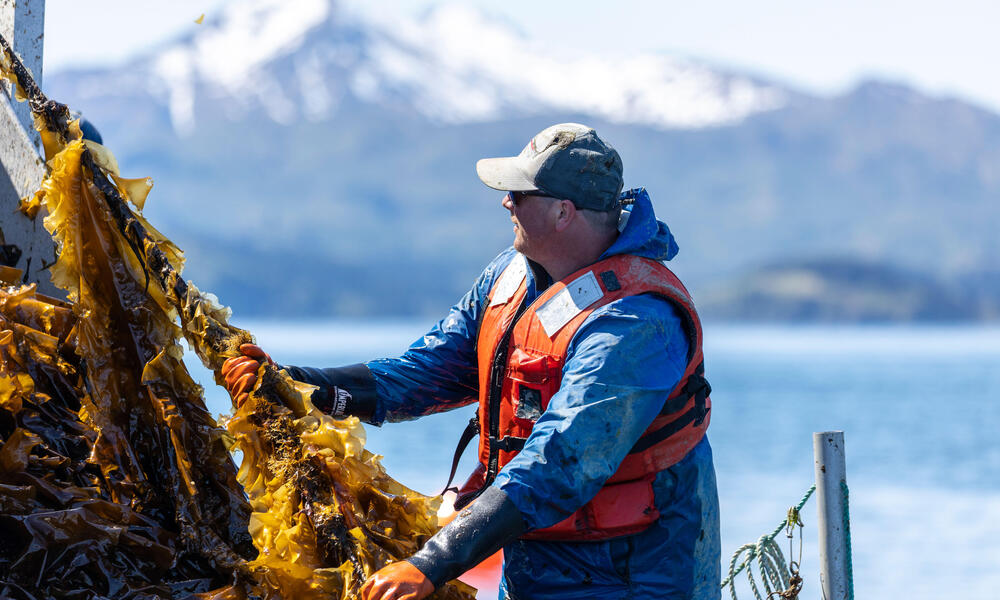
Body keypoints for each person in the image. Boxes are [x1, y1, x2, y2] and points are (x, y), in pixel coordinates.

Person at [222, 123, 721, 600]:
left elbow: (559, 463)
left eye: (519, 194)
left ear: (563, 212)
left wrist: (431, 563)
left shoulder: (635, 322)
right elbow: (429, 369)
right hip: (534, 558)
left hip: (634, 573)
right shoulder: (510, 276)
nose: (506, 202)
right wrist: (296, 386)